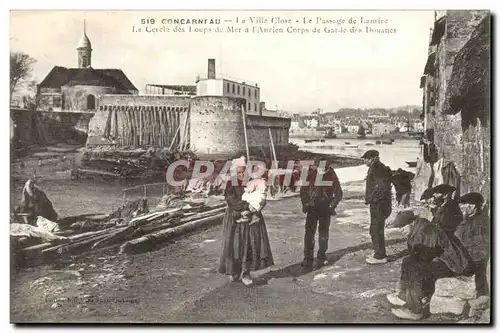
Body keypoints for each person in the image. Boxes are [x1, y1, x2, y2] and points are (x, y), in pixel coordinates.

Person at [388, 184, 472, 320]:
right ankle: (404, 296)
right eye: (399, 228)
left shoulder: (426, 231)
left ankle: (415, 310)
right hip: (441, 260)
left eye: (403, 227)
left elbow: (424, 257)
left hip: (452, 265)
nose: (401, 230)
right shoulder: (418, 228)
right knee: (408, 261)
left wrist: (414, 261)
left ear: (412, 222)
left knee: (415, 268)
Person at [219, 157, 274, 286]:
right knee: (235, 244)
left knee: (249, 244)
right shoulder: (231, 183)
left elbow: (261, 196)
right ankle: (234, 270)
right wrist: (244, 208)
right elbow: (230, 199)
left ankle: (246, 272)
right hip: (235, 215)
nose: (242, 175)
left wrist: (254, 208)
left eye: (244, 172)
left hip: (251, 214)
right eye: (239, 172)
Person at [299, 161, 343, 270]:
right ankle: (308, 258)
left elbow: (339, 193)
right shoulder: (310, 173)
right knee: (309, 234)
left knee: (323, 234)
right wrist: (306, 203)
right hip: (312, 208)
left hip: (325, 208)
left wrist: (332, 206)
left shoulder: (331, 175)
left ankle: (321, 256)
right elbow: (303, 191)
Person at [362, 150, 393, 265]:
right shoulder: (377, 168)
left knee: (376, 229)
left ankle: (380, 256)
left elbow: (381, 187)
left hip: (379, 204)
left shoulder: (378, 169)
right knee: (376, 229)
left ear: (373, 158)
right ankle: (379, 253)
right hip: (379, 203)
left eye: (366, 159)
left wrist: (372, 198)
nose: (364, 161)